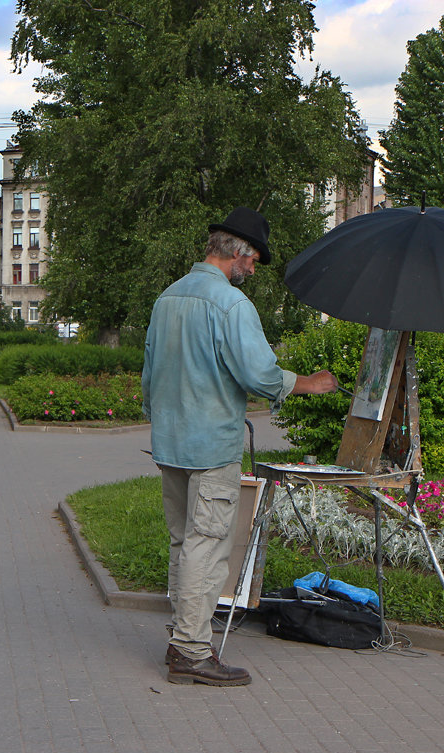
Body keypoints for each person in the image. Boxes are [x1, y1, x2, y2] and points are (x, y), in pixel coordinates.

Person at [141, 207, 338, 686]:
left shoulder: (168, 298)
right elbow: (258, 372)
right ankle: (190, 650)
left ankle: (181, 636)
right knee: (206, 547)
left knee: (184, 543)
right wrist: (309, 384)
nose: (253, 270)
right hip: (210, 447)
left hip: (170, 442)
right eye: (254, 261)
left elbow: (149, 377)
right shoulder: (230, 304)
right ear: (240, 253)